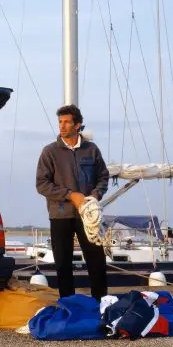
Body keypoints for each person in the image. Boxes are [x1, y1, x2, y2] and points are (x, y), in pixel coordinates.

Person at [36, 105, 110, 300]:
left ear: (78, 125)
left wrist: (94, 196)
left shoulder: (91, 150)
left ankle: (100, 303)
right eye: (60, 122)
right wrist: (70, 195)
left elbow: (103, 177)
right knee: (63, 264)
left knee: (97, 261)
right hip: (60, 215)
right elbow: (42, 184)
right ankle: (69, 305)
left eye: (67, 122)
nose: (62, 126)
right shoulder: (49, 152)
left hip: (87, 215)